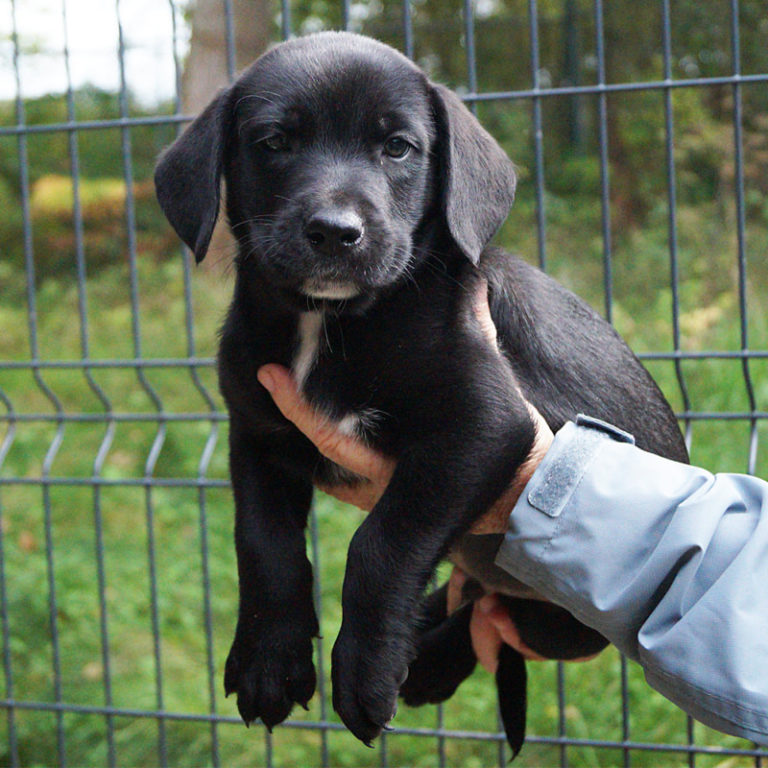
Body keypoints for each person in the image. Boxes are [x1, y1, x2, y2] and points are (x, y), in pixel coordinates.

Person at [253, 301, 768, 747]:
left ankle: (469, 608)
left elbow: (490, 432)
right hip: (585, 556)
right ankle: (470, 601)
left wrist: (522, 494)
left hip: (568, 571)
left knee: (555, 630)